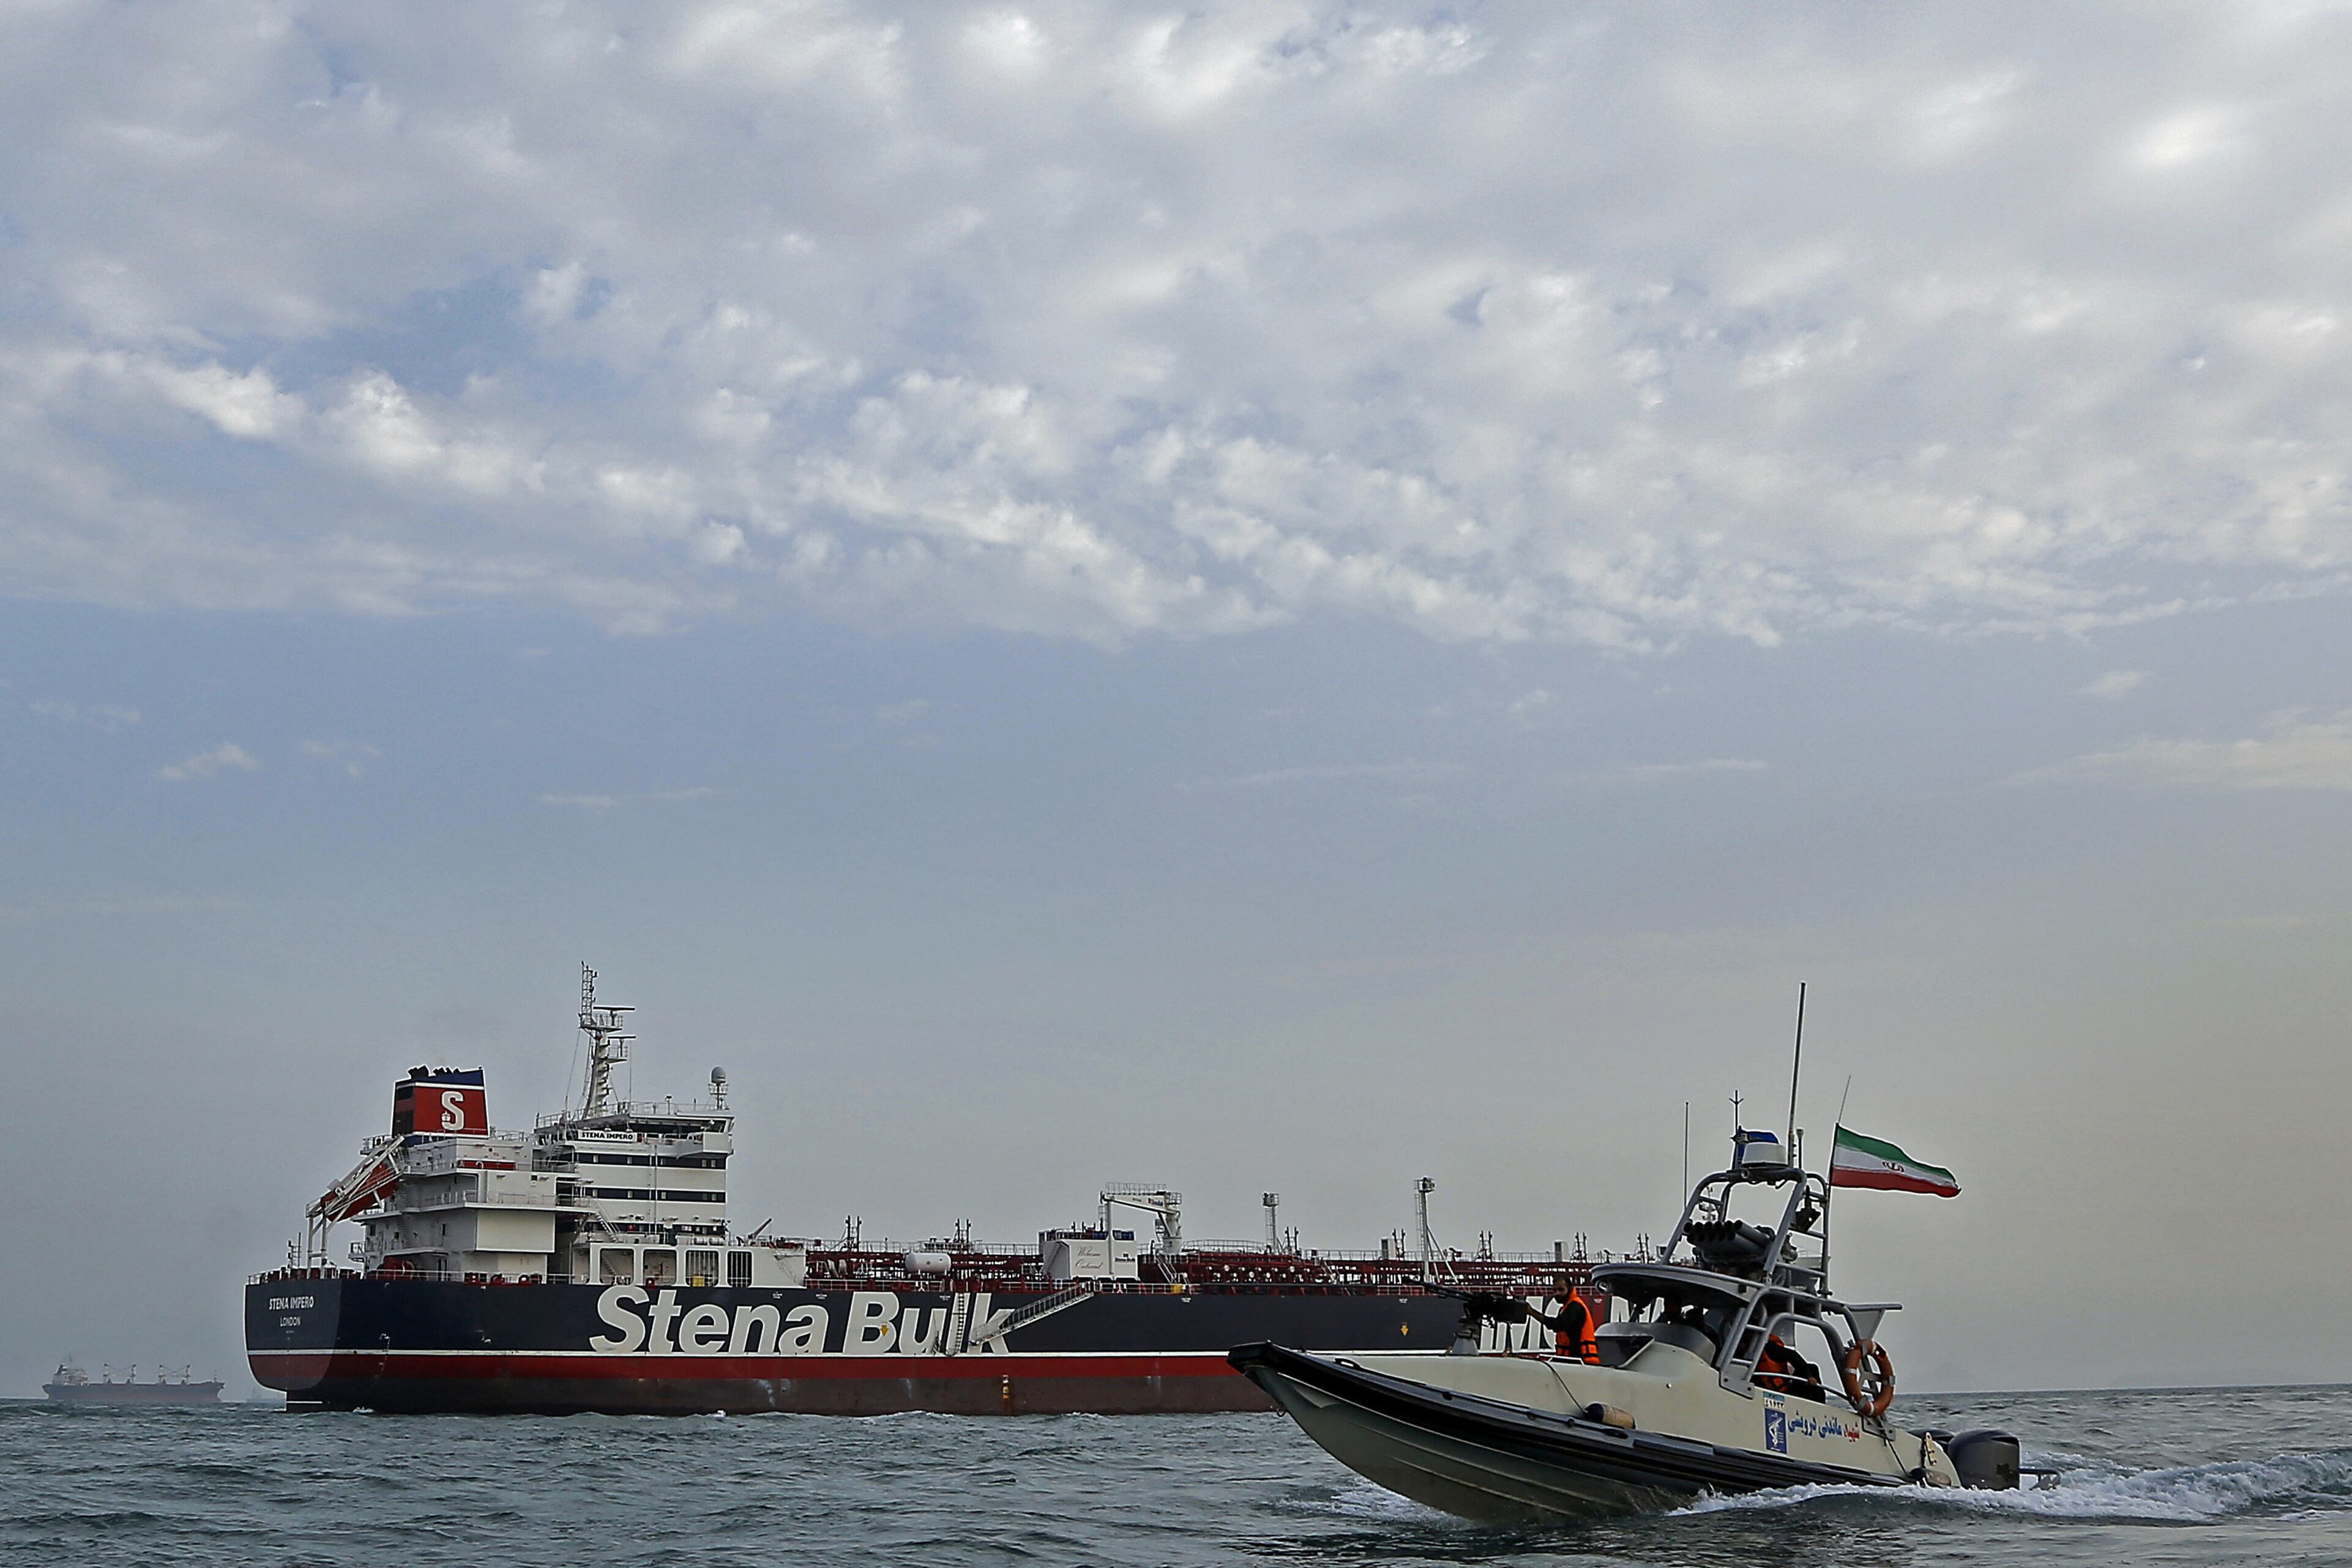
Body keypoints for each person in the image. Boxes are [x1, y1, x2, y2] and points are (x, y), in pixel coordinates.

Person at [1551, 1292, 1599, 1363]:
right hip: (1570, 1360)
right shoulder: (1568, 1308)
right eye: (1554, 1290)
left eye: (1561, 1290)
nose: (1557, 1293)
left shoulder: (1575, 1307)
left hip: (1581, 1361)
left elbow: (1557, 1325)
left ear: (1570, 1289)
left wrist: (1533, 1313)